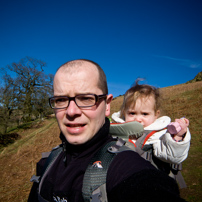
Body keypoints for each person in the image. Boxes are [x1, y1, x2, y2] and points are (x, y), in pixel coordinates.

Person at [28, 59, 186, 202]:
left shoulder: (123, 165)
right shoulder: (47, 163)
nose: (71, 111)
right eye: (61, 100)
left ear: (107, 105)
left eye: (86, 98)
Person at [111, 80, 191, 178]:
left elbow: (173, 157)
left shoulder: (159, 134)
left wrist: (177, 137)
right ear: (124, 112)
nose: (138, 119)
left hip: (151, 181)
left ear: (156, 115)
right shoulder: (116, 129)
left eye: (145, 114)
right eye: (132, 113)